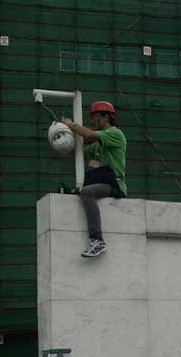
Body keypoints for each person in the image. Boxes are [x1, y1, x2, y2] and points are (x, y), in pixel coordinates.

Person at [62, 100, 127, 258]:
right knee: (71, 191)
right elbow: (79, 152)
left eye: (96, 116)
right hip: (102, 181)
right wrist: (64, 137)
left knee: (86, 192)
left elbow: (89, 134)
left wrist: (70, 124)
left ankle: (97, 241)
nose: (93, 120)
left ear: (106, 117)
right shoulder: (98, 145)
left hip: (114, 184)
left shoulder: (115, 134)